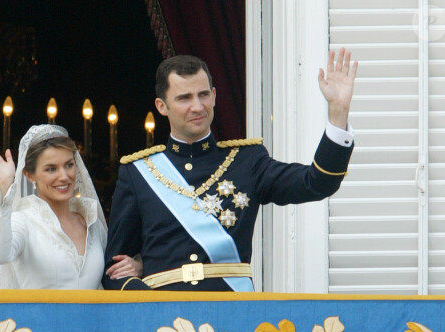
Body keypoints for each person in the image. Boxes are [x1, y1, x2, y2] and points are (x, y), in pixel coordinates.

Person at [103, 49, 358, 291]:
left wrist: (337, 113)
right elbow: (114, 270)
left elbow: (318, 182)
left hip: (232, 314)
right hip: (163, 318)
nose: (198, 106)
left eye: (203, 94)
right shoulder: (137, 173)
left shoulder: (247, 161)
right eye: (184, 98)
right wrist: (148, 300)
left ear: (214, 96)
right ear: (161, 106)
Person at [0, 124, 140, 289]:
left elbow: (113, 270)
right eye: (51, 169)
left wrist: (137, 266)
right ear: (29, 175)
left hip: (93, 315)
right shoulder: (22, 220)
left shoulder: (92, 222)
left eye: (69, 165)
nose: (64, 176)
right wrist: (5, 184)